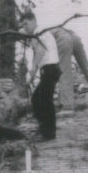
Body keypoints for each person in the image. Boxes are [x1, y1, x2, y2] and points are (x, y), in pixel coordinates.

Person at [20, 10, 60, 141]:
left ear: (33, 21)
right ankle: (46, 130)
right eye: (23, 25)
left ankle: (48, 132)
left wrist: (32, 70)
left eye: (26, 24)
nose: (25, 27)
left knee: (41, 100)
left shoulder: (39, 33)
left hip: (50, 68)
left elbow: (40, 51)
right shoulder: (37, 33)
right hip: (49, 69)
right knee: (42, 99)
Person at [52, 25, 88, 108]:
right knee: (86, 69)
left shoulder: (36, 37)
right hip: (74, 37)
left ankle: (67, 106)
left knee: (64, 73)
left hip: (63, 39)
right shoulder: (43, 31)